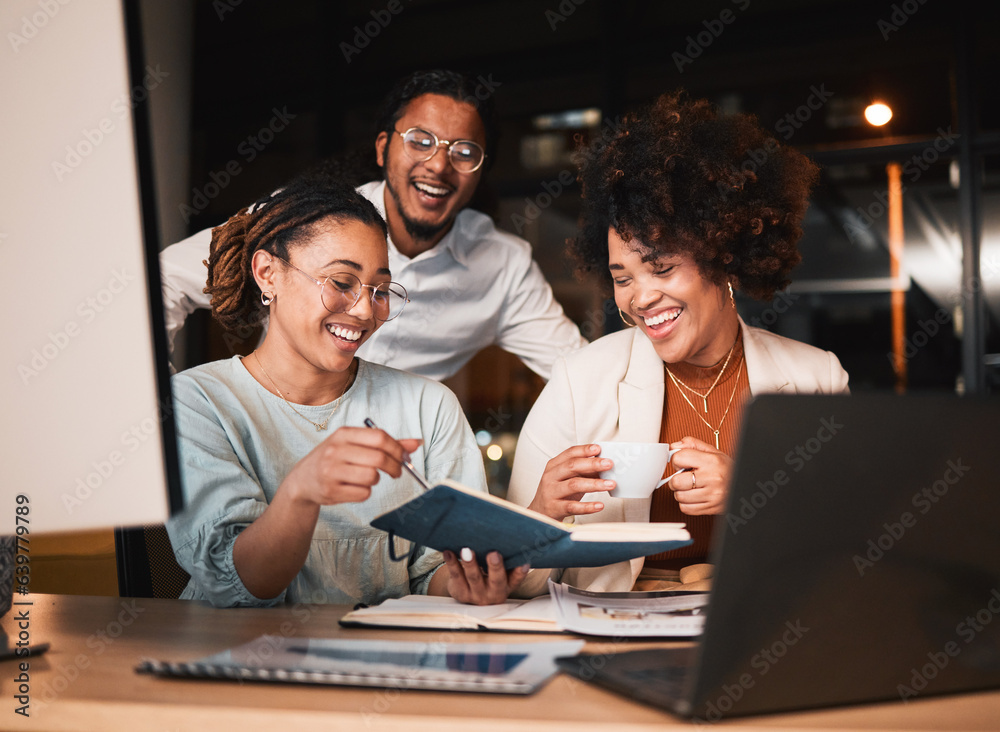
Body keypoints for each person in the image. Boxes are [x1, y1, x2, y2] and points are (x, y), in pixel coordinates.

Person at [507, 91, 849, 597]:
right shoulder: (581, 381)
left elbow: (854, 542)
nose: (642, 297)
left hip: (756, 620)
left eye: (662, 267)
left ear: (724, 255)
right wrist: (540, 515)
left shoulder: (817, 378)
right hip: (618, 627)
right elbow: (514, 581)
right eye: (622, 277)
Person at [165, 178, 529, 608]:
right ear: (268, 274)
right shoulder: (196, 402)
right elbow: (239, 585)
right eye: (341, 282)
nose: (363, 310)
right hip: (241, 662)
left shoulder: (428, 407)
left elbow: (432, 573)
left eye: (379, 290)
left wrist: (463, 585)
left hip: (385, 663)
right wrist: (302, 491)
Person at [160, 69, 587, 382]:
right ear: (384, 148)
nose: (438, 165)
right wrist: (159, 406)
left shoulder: (502, 266)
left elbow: (579, 374)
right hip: (282, 445)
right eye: (420, 141)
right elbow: (165, 279)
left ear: (479, 170)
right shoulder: (303, 218)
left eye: (464, 152)